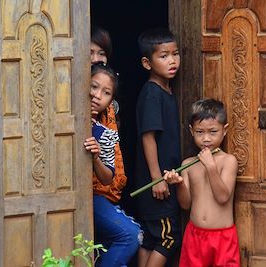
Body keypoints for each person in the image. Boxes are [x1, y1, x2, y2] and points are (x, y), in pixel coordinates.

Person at [164, 98, 240, 266]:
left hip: (222, 237)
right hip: (195, 236)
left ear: (224, 130)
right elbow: (185, 204)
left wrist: (211, 167)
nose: (206, 138)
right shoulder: (188, 164)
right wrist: (179, 183)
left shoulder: (228, 161)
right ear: (191, 131)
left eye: (213, 132)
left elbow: (222, 197)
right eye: (200, 132)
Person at [84, 63, 142, 267]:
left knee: (132, 235)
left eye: (106, 92)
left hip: (92, 196)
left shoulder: (104, 132)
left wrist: (95, 158)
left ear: (111, 100)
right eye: (93, 86)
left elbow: (107, 176)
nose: (97, 95)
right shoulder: (63, 118)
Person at [134, 28, 182, 267]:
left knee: (152, 239)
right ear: (147, 63)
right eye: (163, 56)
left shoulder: (164, 91)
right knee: (169, 237)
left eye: (175, 54)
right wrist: (157, 178)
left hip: (158, 180)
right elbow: (148, 136)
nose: (172, 60)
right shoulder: (153, 93)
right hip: (157, 182)